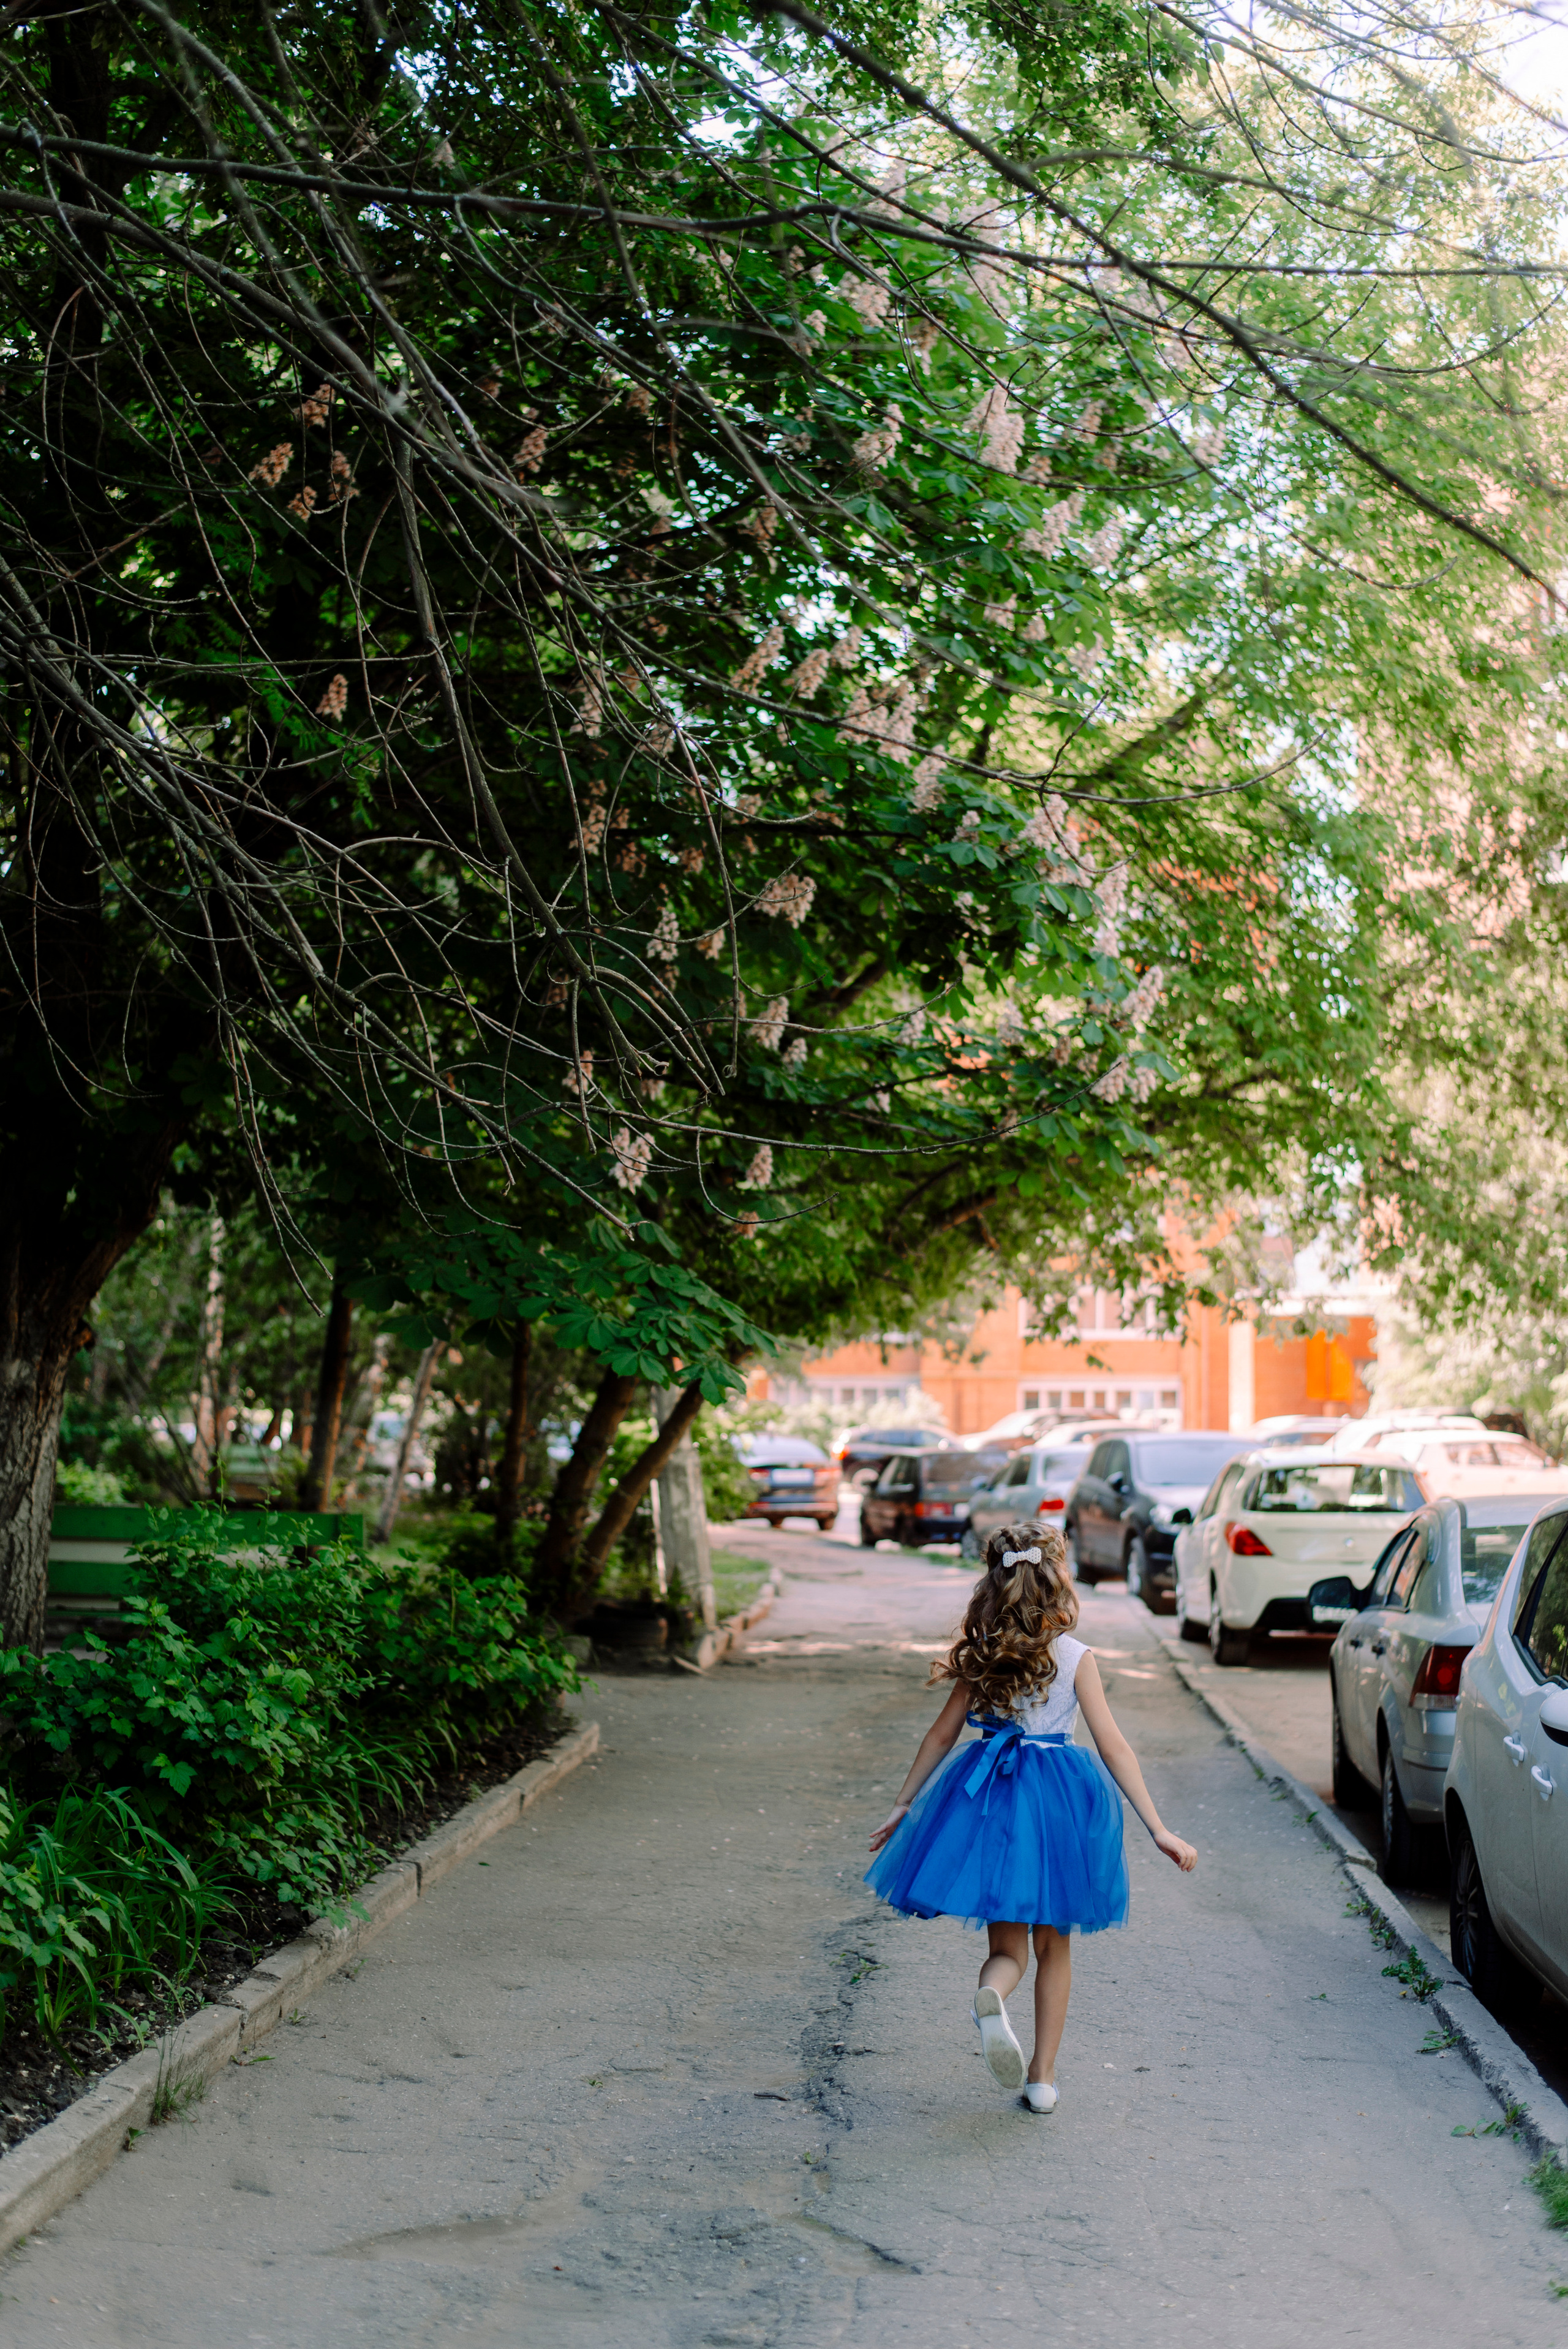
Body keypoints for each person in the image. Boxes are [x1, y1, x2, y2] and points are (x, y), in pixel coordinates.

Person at [864, 1521, 1196, 2110]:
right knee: (1055, 1947)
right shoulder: (1074, 1657)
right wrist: (1158, 1828)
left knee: (1009, 1950)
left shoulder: (985, 1652)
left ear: (995, 1583)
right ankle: (1042, 2079)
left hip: (990, 1797)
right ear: (1057, 1580)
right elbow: (1113, 1745)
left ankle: (991, 1995)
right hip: (1057, 1804)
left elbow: (942, 1736)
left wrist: (903, 1804)